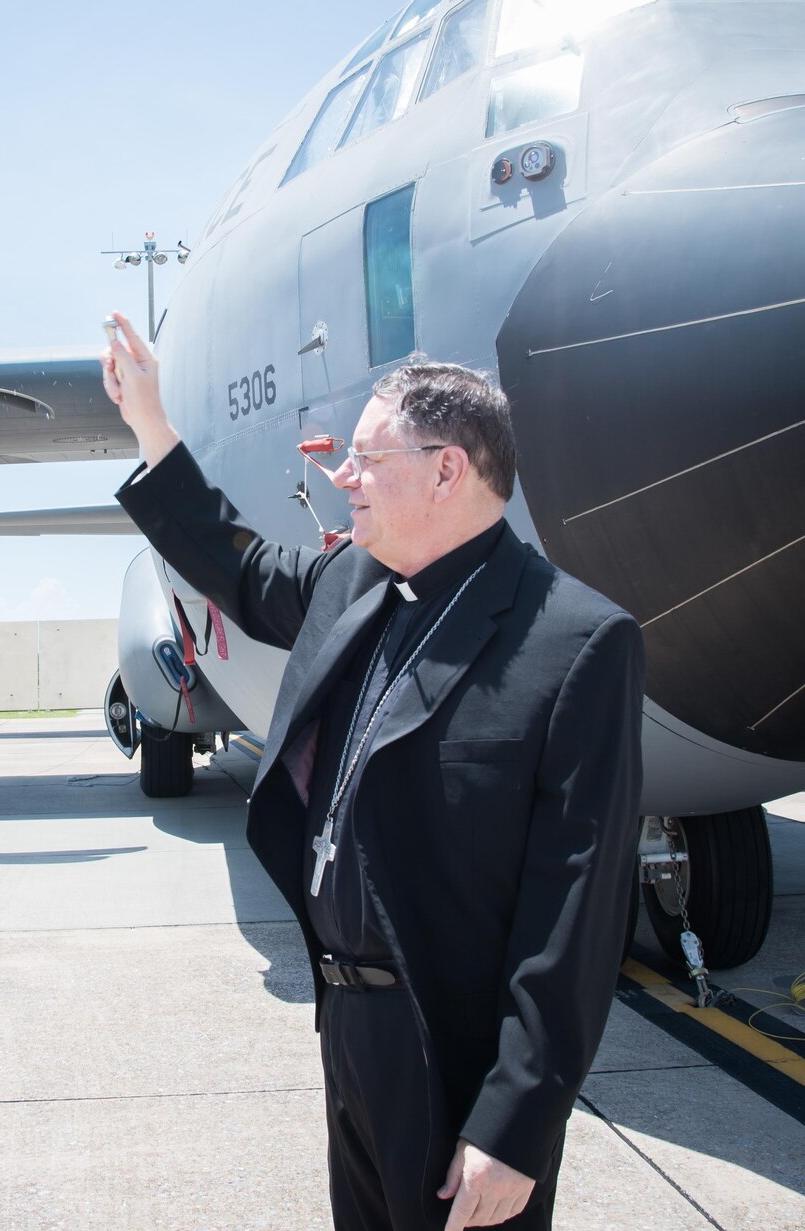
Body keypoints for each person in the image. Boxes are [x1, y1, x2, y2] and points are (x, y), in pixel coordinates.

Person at [100, 312, 644, 1230]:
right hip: (349, 1027)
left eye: (365, 458)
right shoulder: (352, 584)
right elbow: (232, 562)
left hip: (454, 1050)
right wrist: (151, 424)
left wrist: (517, 1121)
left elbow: (577, 911)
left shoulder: (576, 643)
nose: (338, 476)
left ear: (447, 469)